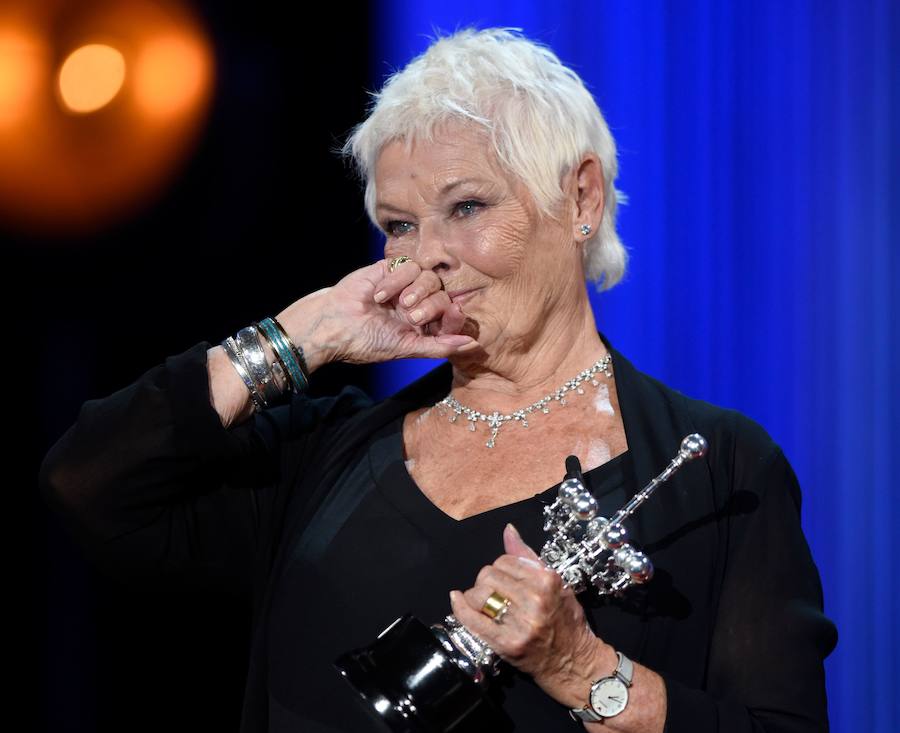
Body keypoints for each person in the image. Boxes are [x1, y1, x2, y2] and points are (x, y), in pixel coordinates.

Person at [39, 27, 836, 733]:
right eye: (399, 226)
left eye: (465, 207)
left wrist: (585, 670)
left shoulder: (719, 471)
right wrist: (298, 336)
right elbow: (89, 481)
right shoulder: (324, 458)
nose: (428, 256)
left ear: (581, 197)